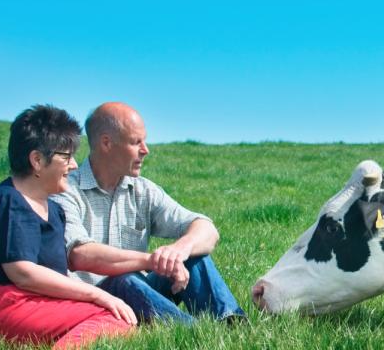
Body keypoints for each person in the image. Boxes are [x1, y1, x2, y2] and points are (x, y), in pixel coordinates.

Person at [0, 105, 136, 350]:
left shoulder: (55, 211)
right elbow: (23, 273)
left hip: (30, 303)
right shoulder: (9, 202)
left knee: (115, 318)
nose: (74, 166)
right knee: (112, 318)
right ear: (37, 160)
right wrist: (97, 294)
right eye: (67, 157)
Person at [52, 102, 245, 324]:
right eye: (136, 142)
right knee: (124, 279)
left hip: (141, 296)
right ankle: (193, 334)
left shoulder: (143, 190)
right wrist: (153, 261)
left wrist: (178, 251)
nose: (146, 150)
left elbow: (206, 228)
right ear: (106, 143)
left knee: (194, 257)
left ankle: (232, 325)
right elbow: (79, 254)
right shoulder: (65, 190)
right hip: (95, 304)